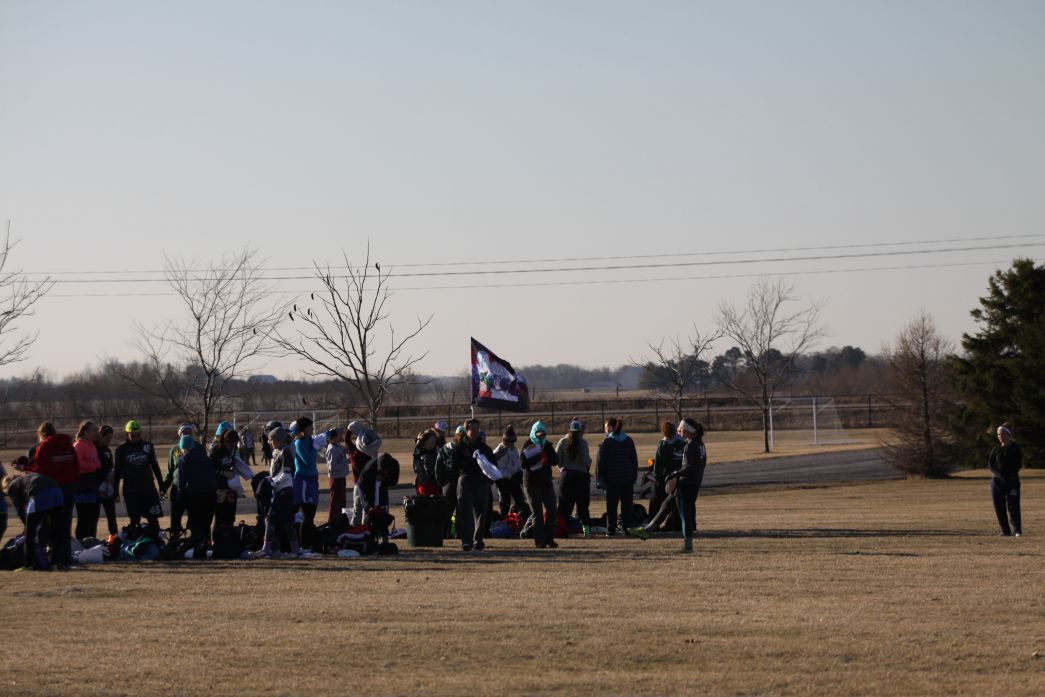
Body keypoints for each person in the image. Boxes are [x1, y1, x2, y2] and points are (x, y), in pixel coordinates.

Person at [27, 422, 79, 566]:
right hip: (68, 487)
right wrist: (72, 482)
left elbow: (39, 468)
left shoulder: (44, 446)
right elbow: (76, 466)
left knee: (48, 523)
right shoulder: (68, 445)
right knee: (65, 523)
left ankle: (45, 556)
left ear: (42, 434)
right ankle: (63, 556)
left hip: (51, 488)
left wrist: (25, 467)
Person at [594, 417, 648, 539]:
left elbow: (601, 463)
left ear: (610, 428)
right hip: (627, 479)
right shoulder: (628, 440)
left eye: (605, 428)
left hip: (612, 479)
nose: (605, 431)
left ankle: (611, 529)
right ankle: (627, 528)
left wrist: (600, 478)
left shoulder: (607, 442)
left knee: (612, 507)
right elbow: (634, 460)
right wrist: (634, 475)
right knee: (627, 506)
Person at [254, 427, 301, 559]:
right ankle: (293, 550)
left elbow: (286, 475)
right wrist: (267, 479)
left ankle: (268, 549)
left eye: (271, 439)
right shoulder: (278, 452)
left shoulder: (285, 453)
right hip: (280, 492)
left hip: (284, 493)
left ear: (278, 440)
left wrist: (272, 483)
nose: (269, 442)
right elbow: (276, 474)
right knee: (283, 522)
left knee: (273, 519)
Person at [3, 471, 64, 570]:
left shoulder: (12, 486)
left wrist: (27, 526)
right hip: (57, 491)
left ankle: (29, 565)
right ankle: (56, 563)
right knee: (56, 530)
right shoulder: (26, 478)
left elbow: (20, 510)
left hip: (39, 493)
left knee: (29, 534)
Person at [114, 420, 164, 539]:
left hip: (148, 489)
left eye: (138, 434)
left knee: (153, 519)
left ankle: (156, 543)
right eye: (133, 435)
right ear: (127, 434)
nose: (136, 437)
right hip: (131, 490)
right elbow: (117, 472)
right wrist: (115, 491)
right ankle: (135, 544)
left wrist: (161, 485)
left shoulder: (148, 446)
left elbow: (155, 466)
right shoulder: (121, 449)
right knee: (134, 520)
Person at [452, 419, 496, 551]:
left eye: (477, 429)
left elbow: (493, 466)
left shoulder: (484, 448)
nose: (475, 431)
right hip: (466, 482)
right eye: (472, 429)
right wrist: (469, 461)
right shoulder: (460, 447)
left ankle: (478, 540)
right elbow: (454, 465)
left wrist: (489, 481)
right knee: (466, 513)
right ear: (466, 430)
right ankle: (467, 541)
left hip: (482, 484)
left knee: (481, 513)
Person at [175, 432, 217, 557]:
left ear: (183, 448)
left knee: (195, 523)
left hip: (195, 495)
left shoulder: (184, 458)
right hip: (210, 494)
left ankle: (196, 548)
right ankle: (205, 545)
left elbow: (182, 482)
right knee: (205, 523)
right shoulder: (205, 457)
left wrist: (179, 498)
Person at [670, 419, 708, 553]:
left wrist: (675, 473)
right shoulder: (700, 444)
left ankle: (688, 546)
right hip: (694, 483)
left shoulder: (691, 446)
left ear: (687, 430)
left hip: (686, 484)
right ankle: (646, 530)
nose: (678, 430)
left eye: (680, 428)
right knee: (667, 506)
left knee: (685, 516)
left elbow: (689, 468)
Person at [521, 421, 560, 549]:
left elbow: (556, 459)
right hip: (532, 484)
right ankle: (540, 541)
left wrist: (547, 459)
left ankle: (550, 538)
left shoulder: (547, 445)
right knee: (537, 513)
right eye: (538, 434)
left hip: (546, 483)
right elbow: (523, 463)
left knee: (552, 510)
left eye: (543, 434)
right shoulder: (528, 445)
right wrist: (539, 457)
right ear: (533, 433)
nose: (541, 436)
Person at [648, 421, 686, 531]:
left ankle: (653, 525)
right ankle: (675, 524)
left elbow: (659, 465)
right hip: (680, 476)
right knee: (676, 502)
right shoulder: (683, 443)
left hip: (666, 478)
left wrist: (656, 477)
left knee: (656, 501)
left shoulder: (664, 443)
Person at [209, 422, 246, 533]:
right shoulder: (214, 451)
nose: (234, 447)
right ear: (226, 441)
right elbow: (210, 470)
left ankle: (228, 539)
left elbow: (232, 463)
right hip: (219, 488)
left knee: (230, 517)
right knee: (219, 517)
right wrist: (223, 473)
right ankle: (215, 540)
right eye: (232, 445)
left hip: (230, 487)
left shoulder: (232, 450)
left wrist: (234, 469)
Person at [555, 419, 593, 529]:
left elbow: (557, 460)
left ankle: (562, 528)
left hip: (566, 476)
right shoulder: (583, 442)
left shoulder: (562, 441)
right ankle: (586, 530)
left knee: (564, 506)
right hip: (580, 477)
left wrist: (563, 469)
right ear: (580, 430)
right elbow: (585, 460)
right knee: (582, 506)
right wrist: (589, 462)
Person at [988, 423, 1022, 537]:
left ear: (1008, 435)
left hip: (1011, 481)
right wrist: (998, 475)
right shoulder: (996, 449)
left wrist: (1008, 476)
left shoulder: (1015, 448)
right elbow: (990, 464)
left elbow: (1018, 464)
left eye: (1002, 434)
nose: (1000, 436)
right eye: (998, 434)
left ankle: (1017, 530)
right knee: (999, 506)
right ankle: (1005, 530)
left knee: (1013, 506)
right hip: (997, 482)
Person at [162, 424, 196, 538]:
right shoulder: (174, 450)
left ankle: (195, 540)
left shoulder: (198, 448)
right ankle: (175, 539)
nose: (186, 434)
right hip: (177, 488)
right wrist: (164, 486)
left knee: (194, 518)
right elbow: (170, 470)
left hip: (193, 490)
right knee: (175, 518)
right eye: (184, 432)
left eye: (189, 432)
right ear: (179, 435)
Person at [72, 420, 102, 540]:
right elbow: (77, 464)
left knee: (92, 517)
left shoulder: (92, 446)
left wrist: (96, 465)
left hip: (90, 485)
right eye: (93, 430)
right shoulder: (79, 445)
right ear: (85, 432)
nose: (96, 432)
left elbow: (97, 462)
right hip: (81, 486)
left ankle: (91, 540)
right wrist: (93, 466)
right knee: (84, 517)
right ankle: (81, 541)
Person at [492, 425, 529, 520]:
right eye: (509, 441)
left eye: (513, 441)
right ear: (505, 440)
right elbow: (498, 469)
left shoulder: (514, 449)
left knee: (519, 497)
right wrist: (510, 476)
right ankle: (504, 519)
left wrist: (520, 473)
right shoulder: (500, 451)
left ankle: (519, 516)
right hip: (502, 479)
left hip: (513, 477)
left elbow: (517, 464)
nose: (512, 443)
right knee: (505, 500)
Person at [435, 425, 464, 537]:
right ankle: (459, 533)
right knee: (461, 511)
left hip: (448, 484)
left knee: (447, 512)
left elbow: (438, 468)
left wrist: (442, 483)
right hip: (462, 483)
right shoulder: (465, 449)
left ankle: (443, 533)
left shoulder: (444, 448)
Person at [96, 425, 118, 537]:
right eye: (107, 438)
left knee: (111, 516)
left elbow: (110, 467)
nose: (109, 441)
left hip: (107, 488)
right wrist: (104, 475)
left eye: (111, 438)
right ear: (100, 436)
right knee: (94, 517)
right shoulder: (93, 449)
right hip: (95, 488)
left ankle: (115, 538)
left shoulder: (107, 450)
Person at [325, 428, 349, 524]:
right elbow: (332, 467)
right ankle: (332, 522)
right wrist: (345, 461)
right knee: (335, 502)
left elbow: (346, 450)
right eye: (340, 434)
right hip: (336, 479)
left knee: (341, 502)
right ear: (334, 436)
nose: (341, 436)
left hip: (341, 477)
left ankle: (340, 521)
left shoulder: (337, 446)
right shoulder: (332, 449)